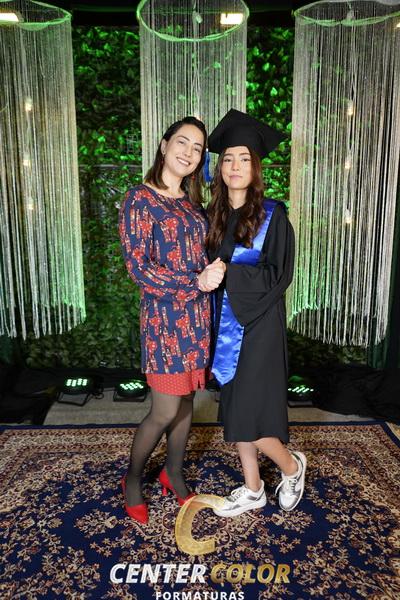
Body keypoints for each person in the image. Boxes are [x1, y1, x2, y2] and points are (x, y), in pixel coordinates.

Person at [119, 116, 224, 523]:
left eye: (197, 148)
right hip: (164, 321)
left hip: (196, 319)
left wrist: (215, 268)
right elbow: (138, 269)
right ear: (164, 146)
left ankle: (173, 473)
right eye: (182, 142)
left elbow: (201, 255)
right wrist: (194, 281)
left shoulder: (192, 204)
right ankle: (132, 480)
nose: (189, 152)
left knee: (186, 403)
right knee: (163, 410)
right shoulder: (139, 199)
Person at [206, 109, 306, 516]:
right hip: (225, 324)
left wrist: (229, 273)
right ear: (220, 166)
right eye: (228, 158)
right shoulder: (214, 215)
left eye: (244, 159)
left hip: (260, 323)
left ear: (255, 166)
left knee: (250, 411)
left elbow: (279, 275)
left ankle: (291, 466)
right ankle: (253, 488)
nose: (235, 166)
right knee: (235, 408)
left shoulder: (272, 214)